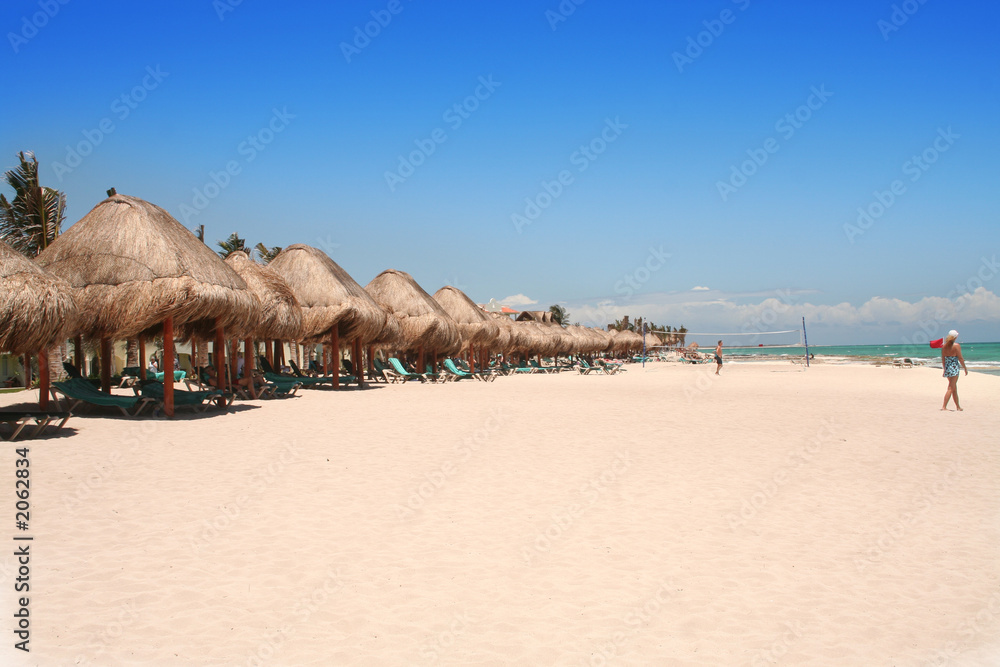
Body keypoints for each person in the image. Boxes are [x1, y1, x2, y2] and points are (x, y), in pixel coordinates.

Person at [941, 329, 967, 411]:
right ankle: (944, 406)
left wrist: (945, 369)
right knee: (950, 388)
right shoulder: (956, 346)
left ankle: (958, 406)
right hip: (954, 368)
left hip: (948, 368)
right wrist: (965, 368)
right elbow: (960, 358)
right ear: (955, 337)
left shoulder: (944, 346)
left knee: (953, 388)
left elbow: (943, 359)